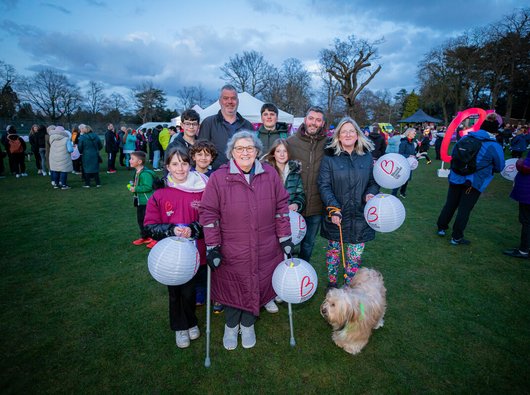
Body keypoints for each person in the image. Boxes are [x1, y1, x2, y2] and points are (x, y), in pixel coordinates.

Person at [199, 131, 292, 350]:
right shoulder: (219, 178)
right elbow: (209, 214)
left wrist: (285, 237)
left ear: (258, 151)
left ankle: (248, 324)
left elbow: (281, 207)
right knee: (233, 286)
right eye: (239, 148)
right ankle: (231, 326)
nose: (245, 152)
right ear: (231, 152)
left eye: (249, 148)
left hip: (265, 245)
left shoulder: (269, 174)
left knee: (257, 283)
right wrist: (212, 247)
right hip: (232, 247)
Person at [143, 146, 207, 348]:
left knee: (191, 291)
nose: (180, 168)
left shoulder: (202, 188)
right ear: (167, 166)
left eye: (184, 163)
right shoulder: (160, 194)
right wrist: (171, 230)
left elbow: (211, 219)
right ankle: (180, 327)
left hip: (197, 251)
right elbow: (150, 226)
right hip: (172, 256)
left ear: (190, 164)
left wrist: (194, 229)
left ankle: (191, 322)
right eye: (175, 164)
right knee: (176, 292)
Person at [318, 117, 379, 290]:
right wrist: (334, 208)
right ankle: (332, 285)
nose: (348, 134)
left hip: (360, 216)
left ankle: (349, 286)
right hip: (337, 215)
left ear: (358, 135)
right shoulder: (330, 157)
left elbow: (374, 181)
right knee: (334, 252)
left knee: (354, 257)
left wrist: (370, 193)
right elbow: (324, 185)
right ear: (338, 135)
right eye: (344, 131)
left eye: (351, 131)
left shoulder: (366, 157)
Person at [436, 119, 505, 245]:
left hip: (456, 177)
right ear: (494, 131)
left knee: (450, 204)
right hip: (474, 182)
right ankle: (456, 237)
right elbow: (500, 166)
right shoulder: (493, 145)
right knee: (464, 209)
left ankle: (441, 227)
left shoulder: (465, 138)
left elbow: (454, 155)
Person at [287, 106, 328, 263]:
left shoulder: (328, 145)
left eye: (318, 120)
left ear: (323, 123)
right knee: (288, 243)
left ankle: (303, 274)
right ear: (305, 120)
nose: (314, 123)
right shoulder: (290, 143)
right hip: (292, 205)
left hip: (316, 207)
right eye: (311, 118)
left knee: (308, 245)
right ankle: (287, 276)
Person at [199, 84, 253, 169]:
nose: (230, 101)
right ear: (220, 101)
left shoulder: (248, 126)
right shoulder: (208, 123)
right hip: (216, 175)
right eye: (226, 98)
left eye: (233, 98)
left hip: (242, 175)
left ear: (238, 101)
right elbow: (200, 152)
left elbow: (253, 152)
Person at [503, 152, 530, 259]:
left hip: (527, 194)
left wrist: (520, 162)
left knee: (526, 221)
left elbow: (526, 167)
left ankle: (524, 250)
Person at [128, 151, 156, 247]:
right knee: (141, 220)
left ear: (139, 162)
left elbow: (148, 187)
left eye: (132, 159)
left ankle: (154, 238)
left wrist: (135, 188)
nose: (130, 160)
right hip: (140, 201)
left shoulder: (145, 174)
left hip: (147, 201)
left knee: (149, 220)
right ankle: (145, 237)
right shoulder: (137, 172)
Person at [391, 128, 417, 198]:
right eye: (414, 132)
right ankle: (393, 194)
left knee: (406, 179)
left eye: (415, 132)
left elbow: (413, 153)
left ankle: (402, 192)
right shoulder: (403, 143)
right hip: (403, 164)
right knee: (399, 179)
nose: (415, 133)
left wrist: (415, 156)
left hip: (409, 164)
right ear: (408, 133)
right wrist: (409, 155)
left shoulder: (412, 143)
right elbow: (400, 154)